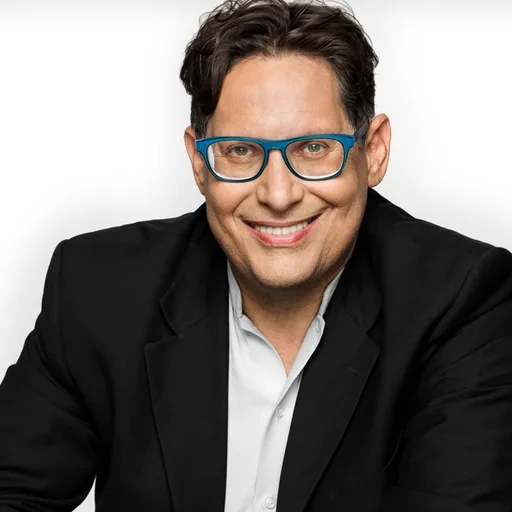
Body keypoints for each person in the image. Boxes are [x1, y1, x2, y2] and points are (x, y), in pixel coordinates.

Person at [1, 0, 511, 510]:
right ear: (199, 163)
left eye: (314, 148)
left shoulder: (463, 301)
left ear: (373, 150)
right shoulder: (97, 290)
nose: (278, 194)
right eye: (240, 151)